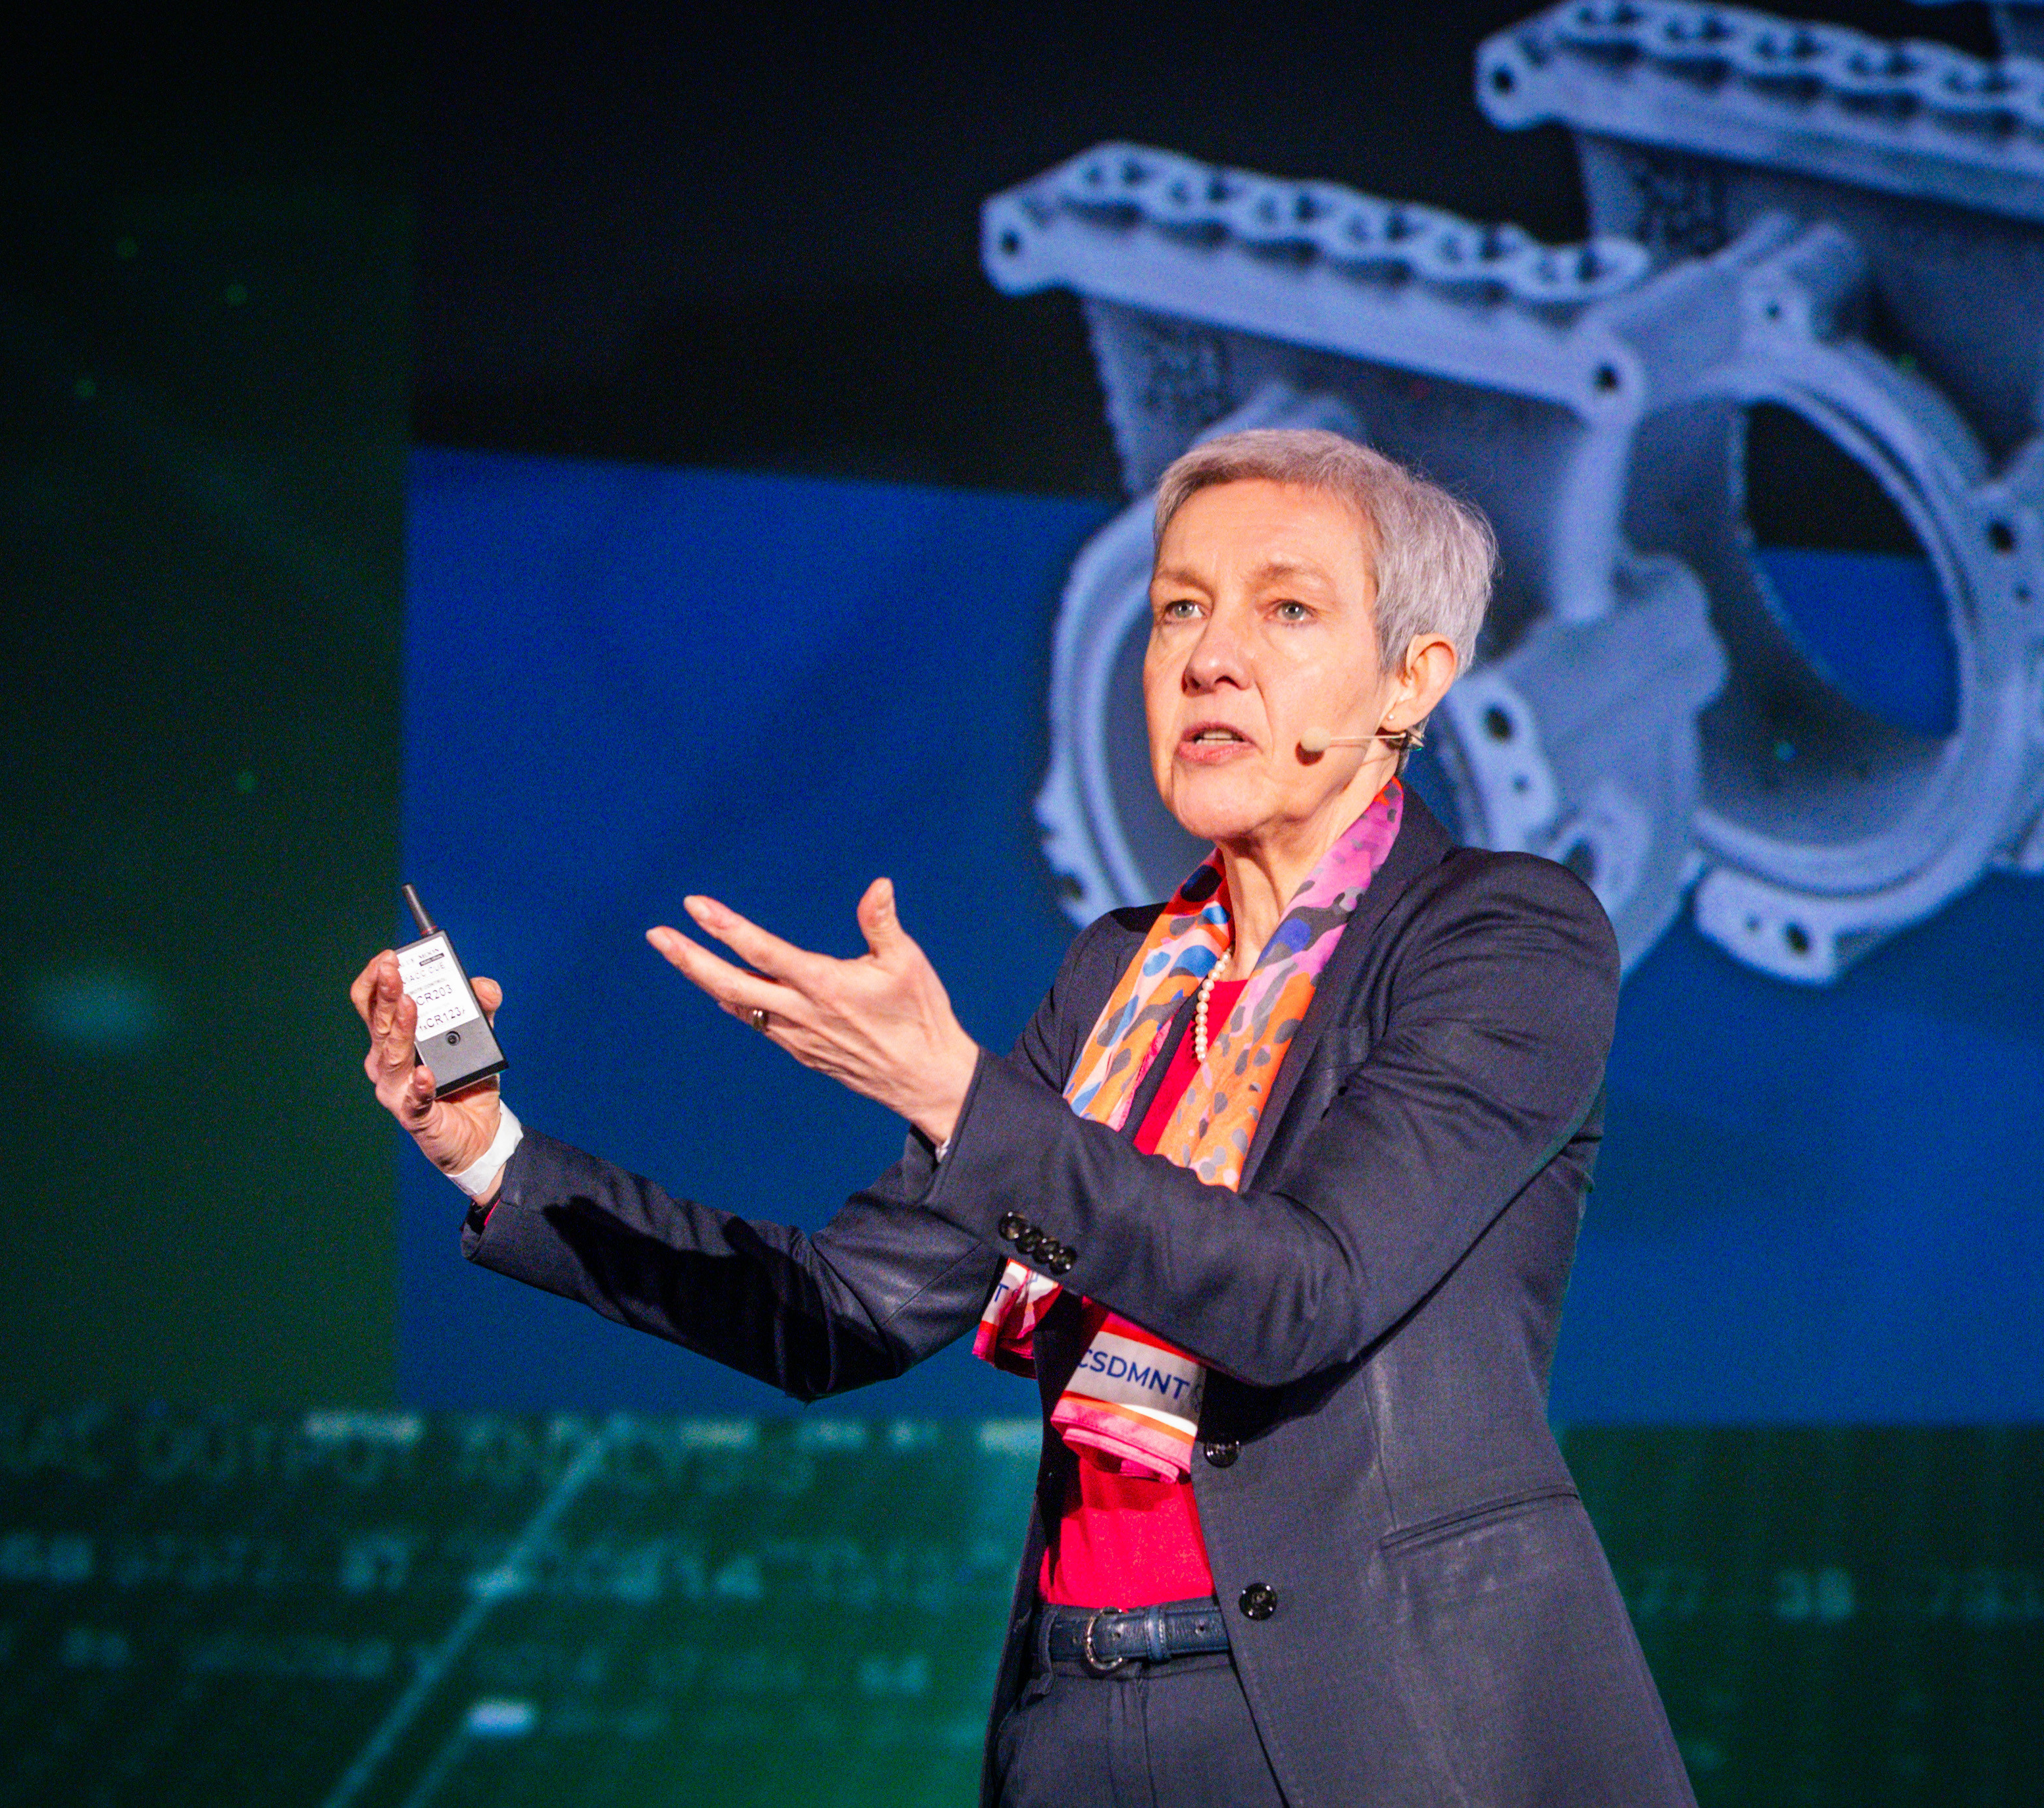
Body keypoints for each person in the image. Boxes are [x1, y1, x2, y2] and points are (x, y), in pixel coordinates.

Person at [352, 428, 1695, 1807]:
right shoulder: (1122, 976)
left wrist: (951, 1093)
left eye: (1286, 609)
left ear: (1411, 677)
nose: (1209, 658)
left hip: (1367, 1718)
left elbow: (1304, 1293)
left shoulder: (1502, 936)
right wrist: (487, 1149)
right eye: (1179, 607)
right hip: (1076, 1712)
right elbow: (845, 1311)